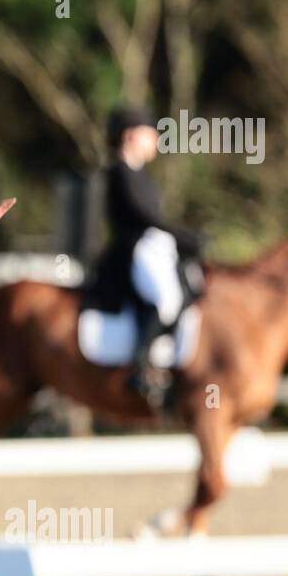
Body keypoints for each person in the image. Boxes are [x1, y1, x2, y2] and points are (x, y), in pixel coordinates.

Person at [99, 105, 202, 407]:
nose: (156, 139)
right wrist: (180, 236)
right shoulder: (119, 172)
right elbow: (142, 215)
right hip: (136, 250)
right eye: (150, 134)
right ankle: (140, 366)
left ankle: (162, 360)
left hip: (153, 246)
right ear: (130, 136)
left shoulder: (140, 173)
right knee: (164, 298)